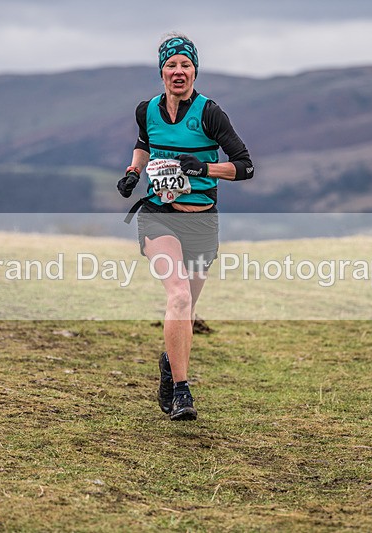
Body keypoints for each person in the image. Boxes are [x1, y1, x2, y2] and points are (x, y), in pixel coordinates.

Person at [117, 32, 254, 421]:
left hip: (202, 222)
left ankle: (169, 362)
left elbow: (245, 166)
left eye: (186, 65)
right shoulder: (147, 110)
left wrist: (205, 168)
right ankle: (181, 391)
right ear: (162, 71)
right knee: (177, 296)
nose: (179, 71)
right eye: (171, 65)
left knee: (187, 309)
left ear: (195, 72)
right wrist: (133, 172)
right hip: (159, 215)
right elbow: (144, 143)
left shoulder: (210, 114)